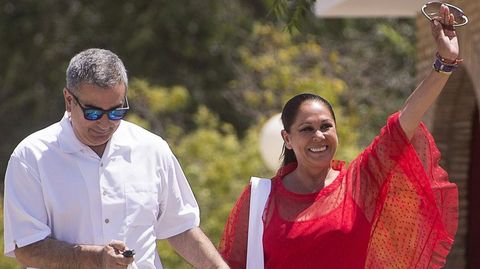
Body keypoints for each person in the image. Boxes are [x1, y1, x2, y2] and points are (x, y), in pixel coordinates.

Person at [219, 4, 459, 269]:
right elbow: (230, 264)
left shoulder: (360, 184)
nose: (319, 136)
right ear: (287, 138)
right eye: (306, 129)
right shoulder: (260, 198)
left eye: (326, 126)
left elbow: (403, 124)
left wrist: (444, 64)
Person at [3, 48, 229, 269]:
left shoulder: (152, 149)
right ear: (69, 100)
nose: (105, 123)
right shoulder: (31, 157)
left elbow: (181, 228)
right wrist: (95, 259)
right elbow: (26, 248)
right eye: (93, 113)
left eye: (116, 112)